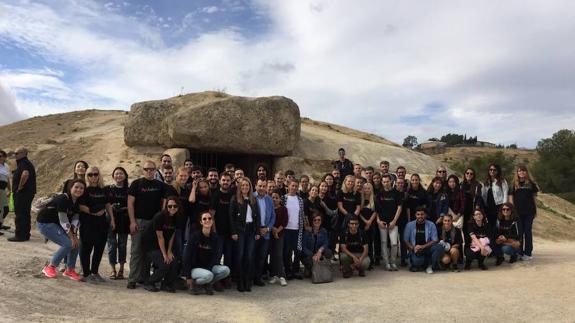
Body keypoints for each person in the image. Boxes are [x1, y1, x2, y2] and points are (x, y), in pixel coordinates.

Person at [127, 161, 167, 289]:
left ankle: (144, 278)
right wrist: (132, 221)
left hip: (153, 223)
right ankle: (132, 278)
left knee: (148, 252)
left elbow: (165, 200)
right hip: (139, 221)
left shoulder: (160, 185)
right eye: (147, 169)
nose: (149, 171)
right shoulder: (136, 184)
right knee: (136, 250)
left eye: (152, 169)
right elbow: (130, 203)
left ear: (155, 170)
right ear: (142, 170)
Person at [37, 179, 85, 281]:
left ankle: (70, 270)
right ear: (70, 188)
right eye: (76, 187)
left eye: (81, 188)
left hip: (56, 224)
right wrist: (71, 237)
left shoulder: (77, 201)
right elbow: (63, 220)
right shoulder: (63, 198)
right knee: (68, 244)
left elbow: (75, 221)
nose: (79, 190)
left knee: (77, 243)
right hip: (45, 223)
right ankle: (50, 267)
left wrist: (74, 236)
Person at [79, 166, 115, 283]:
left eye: (95, 174)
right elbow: (80, 205)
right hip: (88, 224)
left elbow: (108, 204)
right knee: (86, 249)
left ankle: (94, 272)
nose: (93, 177)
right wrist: (93, 212)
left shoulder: (103, 190)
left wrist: (112, 219)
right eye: (90, 174)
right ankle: (86, 273)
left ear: (99, 175)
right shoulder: (84, 189)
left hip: (102, 224)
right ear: (87, 176)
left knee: (99, 249)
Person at [183, 212, 230, 295]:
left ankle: (208, 283)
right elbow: (187, 257)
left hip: (208, 268)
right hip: (195, 268)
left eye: (209, 218)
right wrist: (188, 276)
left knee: (226, 270)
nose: (207, 220)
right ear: (201, 222)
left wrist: (209, 268)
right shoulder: (194, 236)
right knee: (209, 275)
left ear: (212, 221)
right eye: (204, 219)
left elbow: (215, 257)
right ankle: (194, 284)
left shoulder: (215, 238)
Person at [229, 177, 261, 292]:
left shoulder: (253, 200)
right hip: (240, 231)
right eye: (242, 185)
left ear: (250, 187)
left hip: (251, 230)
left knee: (249, 256)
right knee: (240, 256)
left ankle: (247, 281)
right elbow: (231, 217)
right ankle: (240, 281)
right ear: (239, 187)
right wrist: (233, 232)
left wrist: (257, 231)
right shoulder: (235, 199)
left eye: (247, 185)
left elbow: (257, 217)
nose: (245, 187)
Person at [142, 196, 179, 292]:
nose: (172, 208)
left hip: (163, 245)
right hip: (151, 246)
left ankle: (166, 284)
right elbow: (160, 237)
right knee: (164, 264)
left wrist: (169, 251)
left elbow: (172, 235)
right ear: (166, 206)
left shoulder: (177, 217)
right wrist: (164, 254)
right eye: (169, 206)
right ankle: (149, 282)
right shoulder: (160, 217)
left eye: (175, 206)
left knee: (174, 262)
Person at [508, 165, 539, 261]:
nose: (521, 173)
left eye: (523, 171)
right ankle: (520, 252)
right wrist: (512, 210)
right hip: (517, 212)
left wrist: (536, 210)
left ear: (526, 172)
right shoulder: (514, 184)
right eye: (519, 171)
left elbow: (534, 198)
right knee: (519, 232)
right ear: (517, 173)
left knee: (528, 232)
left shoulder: (531, 184)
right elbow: (510, 198)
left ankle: (528, 253)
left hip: (529, 212)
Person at [106, 167, 130, 280]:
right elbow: (105, 204)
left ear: (125, 176)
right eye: (116, 174)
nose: (118, 176)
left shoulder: (129, 190)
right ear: (113, 176)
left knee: (122, 244)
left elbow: (131, 205)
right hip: (111, 218)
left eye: (121, 174)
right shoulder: (108, 189)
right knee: (111, 244)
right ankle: (112, 269)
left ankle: (121, 269)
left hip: (124, 219)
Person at [375, 175, 403, 271]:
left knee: (394, 243)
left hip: (393, 222)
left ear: (391, 181)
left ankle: (393, 262)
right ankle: (386, 263)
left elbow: (399, 208)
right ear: (382, 182)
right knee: (383, 242)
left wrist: (394, 221)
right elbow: (376, 210)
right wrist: (378, 220)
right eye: (384, 182)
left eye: (387, 181)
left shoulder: (396, 193)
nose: (386, 183)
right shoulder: (379, 194)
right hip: (382, 222)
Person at [403, 207, 442, 274]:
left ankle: (430, 265)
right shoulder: (409, 225)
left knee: (439, 247)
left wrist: (423, 246)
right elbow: (406, 240)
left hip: (427, 248)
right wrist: (413, 248)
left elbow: (435, 240)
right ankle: (426, 262)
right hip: (416, 249)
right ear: (415, 215)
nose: (420, 216)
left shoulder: (431, 224)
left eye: (422, 214)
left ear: (425, 215)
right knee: (417, 261)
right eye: (418, 214)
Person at [9, 147, 36, 242]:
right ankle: (25, 235)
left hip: (23, 193)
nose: (15, 155)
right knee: (25, 214)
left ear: (23, 153)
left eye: (16, 153)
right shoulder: (26, 163)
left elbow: (25, 174)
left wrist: (20, 186)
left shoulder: (23, 163)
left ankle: (20, 235)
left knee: (20, 214)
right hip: (27, 193)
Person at [212, 172, 234, 288]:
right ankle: (216, 280)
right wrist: (214, 232)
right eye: (223, 180)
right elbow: (212, 215)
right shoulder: (216, 195)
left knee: (229, 257)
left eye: (228, 180)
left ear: (231, 182)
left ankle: (227, 278)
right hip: (219, 232)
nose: (225, 182)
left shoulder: (232, 195)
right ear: (220, 181)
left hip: (230, 233)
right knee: (217, 256)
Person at [253, 179, 276, 286]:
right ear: (255, 186)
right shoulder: (252, 197)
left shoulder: (269, 200)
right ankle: (249, 278)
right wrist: (258, 230)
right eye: (260, 186)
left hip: (266, 232)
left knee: (262, 256)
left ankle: (258, 278)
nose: (262, 188)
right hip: (254, 232)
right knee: (251, 255)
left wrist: (267, 229)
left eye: (263, 186)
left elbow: (273, 216)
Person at [281, 179, 306, 280]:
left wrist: (304, 225)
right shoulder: (284, 198)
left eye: (296, 186)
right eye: (292, 186)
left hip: (297, 229)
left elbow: (302, 214)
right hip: (286, 228)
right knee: (287, 251)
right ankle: (288, 271)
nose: (294, 188)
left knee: (298, 250)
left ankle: (295, 271)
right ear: (288, 186)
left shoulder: (300, 200)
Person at [302, 212, 331, 277]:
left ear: (321, 221)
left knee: (328, 252)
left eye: (319, 220)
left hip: (319, 254)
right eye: (315, 220)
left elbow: (326, 243)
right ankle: (309, 268)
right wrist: (313, 255)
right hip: (309, 255)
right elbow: (304, 247)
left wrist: (320, 251)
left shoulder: (324, 231)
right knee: (307, 275)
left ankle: (321, 268)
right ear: (312, 221)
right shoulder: (307, 232)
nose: (317, 221)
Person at [269, 190, 288, 286]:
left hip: (279, 235)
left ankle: (282, 276)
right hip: (270, 234)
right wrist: (273, 230)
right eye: (273, 197)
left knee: (279, 255)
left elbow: (284, 222)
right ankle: (274, 275)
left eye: (277, 197)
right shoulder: (269, 208)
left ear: (280, 199)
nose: (274, 199)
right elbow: (268, 219)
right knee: (272, 255)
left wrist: (277, 231)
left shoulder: (283, 209)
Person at [483, 163, 508, 228]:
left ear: (497, 171)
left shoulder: (502, 181)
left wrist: (504, 206)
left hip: (498, 206)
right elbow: (484, 195)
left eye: (494, 170)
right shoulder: (486, 181)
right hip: (488, 207)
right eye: (490, 169)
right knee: (489, 224)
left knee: (498, 224)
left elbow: (505, 193)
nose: (492, 171)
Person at [460, 167, 484, 235]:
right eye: (467, 173)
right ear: (465, 174)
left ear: (473, 175)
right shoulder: (461, 184)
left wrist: (477, 209)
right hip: (464, 209)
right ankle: (466, 244)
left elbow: (479, 197)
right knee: (464, 227)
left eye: (471, 173)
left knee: (472, 226)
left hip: (473, 209)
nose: (469, 175)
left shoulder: (477, 185)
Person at [359, 183, 378, 269]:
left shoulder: (374, 199)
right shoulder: (360, 199)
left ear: (371, 189)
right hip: (361, 224)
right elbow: (358, 212)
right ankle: (361, 261)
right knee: (362, 243)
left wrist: (369, 222)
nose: (367, 190)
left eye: (369, 188)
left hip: (371, 224)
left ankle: (370, 262)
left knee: (370, 243)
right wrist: (365, 221)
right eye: (365, 188)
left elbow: (375, 211)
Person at [318, 180, 338, 257]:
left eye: (325, 186)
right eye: (322, 186)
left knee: (326, 243)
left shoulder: (331, 199)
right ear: (319, 187)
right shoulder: (315, 198)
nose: (324, 188)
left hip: (327, 224)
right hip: (316, 224)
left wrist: (324, 206)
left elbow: (332, 213)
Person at [394, 177, 409, 267]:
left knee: (403, 240)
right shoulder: (392, 193)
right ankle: (393, 259)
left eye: (401, 183)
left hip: (403, 220)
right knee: (393, 241)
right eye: (398, 183)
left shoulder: (405, 194)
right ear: (395, 183)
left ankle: (403, 259)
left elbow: (407, 208)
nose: (400, 184)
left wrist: (409, 219)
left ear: (404, 184)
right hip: (394, 220)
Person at [0, 150, 12, 233]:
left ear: (4, 157)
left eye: (1, 156)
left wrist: (10, 189)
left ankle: (0, 223)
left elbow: (7, 179)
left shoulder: (6, 166)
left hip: (3, 189)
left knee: (5, 208)